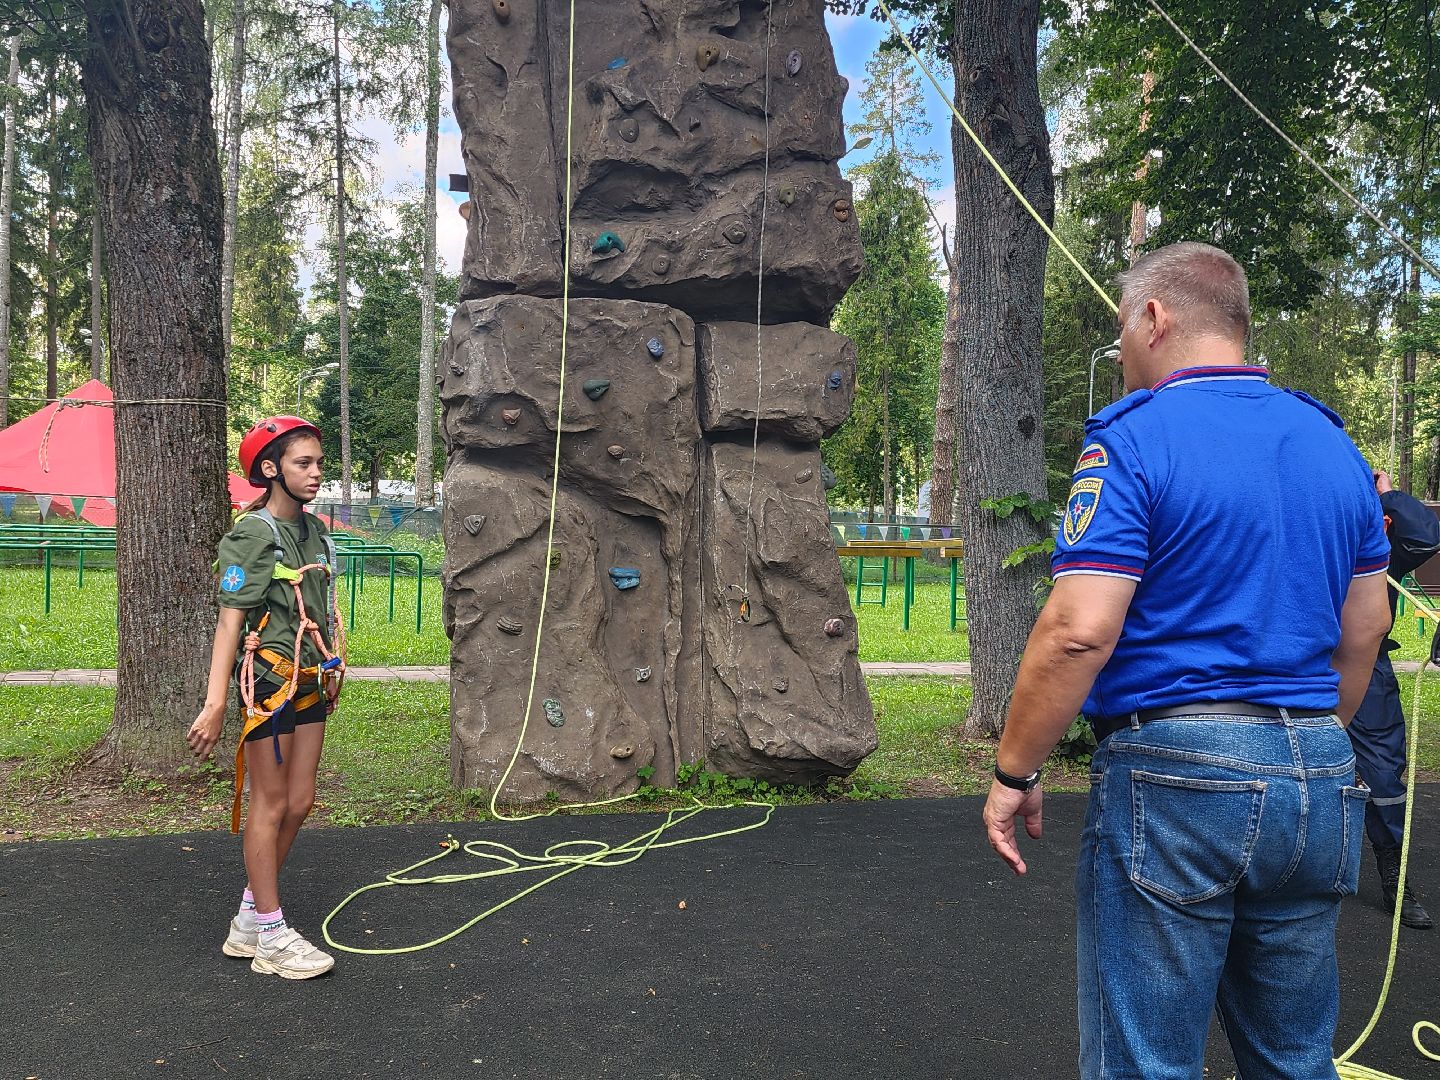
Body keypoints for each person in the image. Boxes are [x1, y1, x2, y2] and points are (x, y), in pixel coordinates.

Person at [981, 241, 1394, 1079]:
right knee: (1293, 1057)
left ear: (1155, 317)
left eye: (1123, 331)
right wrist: (1301, 747)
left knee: (1148, 1061)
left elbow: (1077, 631)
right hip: (1319, 768)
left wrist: (1014, 773)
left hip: (1177, 776)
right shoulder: (1330, 445)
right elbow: (1367, 626)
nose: (1124, 352)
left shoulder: (1132, 439)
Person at [186, 416, 344, 980]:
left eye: (319, 463)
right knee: (270, 803)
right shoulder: (253, 534)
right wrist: (214, 702)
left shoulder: (315, 530)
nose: (316, 473)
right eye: (304, 463)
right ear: (271, 469)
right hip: (269, 685)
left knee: (300, 801)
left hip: (310, 678)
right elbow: (229, 624)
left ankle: (251, 917)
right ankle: (272, 934)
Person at [1349, 469, 1437, 929]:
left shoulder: (1379, 547)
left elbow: (1425, 538)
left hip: (1368, 669)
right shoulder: (1303, 526)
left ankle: (1394, 877)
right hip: (1296, 666)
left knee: (1383, 774)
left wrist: (1388, 494)